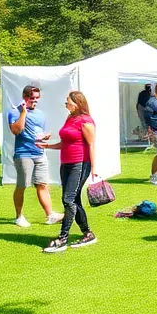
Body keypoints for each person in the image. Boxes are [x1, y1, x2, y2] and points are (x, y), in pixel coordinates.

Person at [37, 90, 100, 252]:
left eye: (68, 102)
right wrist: (48, 146)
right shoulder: (70, 118)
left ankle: (63, 238)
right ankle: (88, 233)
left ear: (77, 103)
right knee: (74, 200)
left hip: (80, 163)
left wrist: (94, 167)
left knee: (68, 199)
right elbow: (65, 142)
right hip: (66, 163)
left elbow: (91, 144)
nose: (66, 105)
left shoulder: (86, 121)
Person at [7, 85, 63, 229]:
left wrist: (46, 136)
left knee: (42, 184)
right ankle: (18, 217)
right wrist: (23, 113)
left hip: (39, 153)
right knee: (22, 185)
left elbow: (38, 133)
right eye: (32, 98)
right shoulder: (14, 112)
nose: (35, 101)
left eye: (37, 98)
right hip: (23, 154)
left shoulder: (40, 114)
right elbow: (16, 130)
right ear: (25, 97)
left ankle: (50, 215)